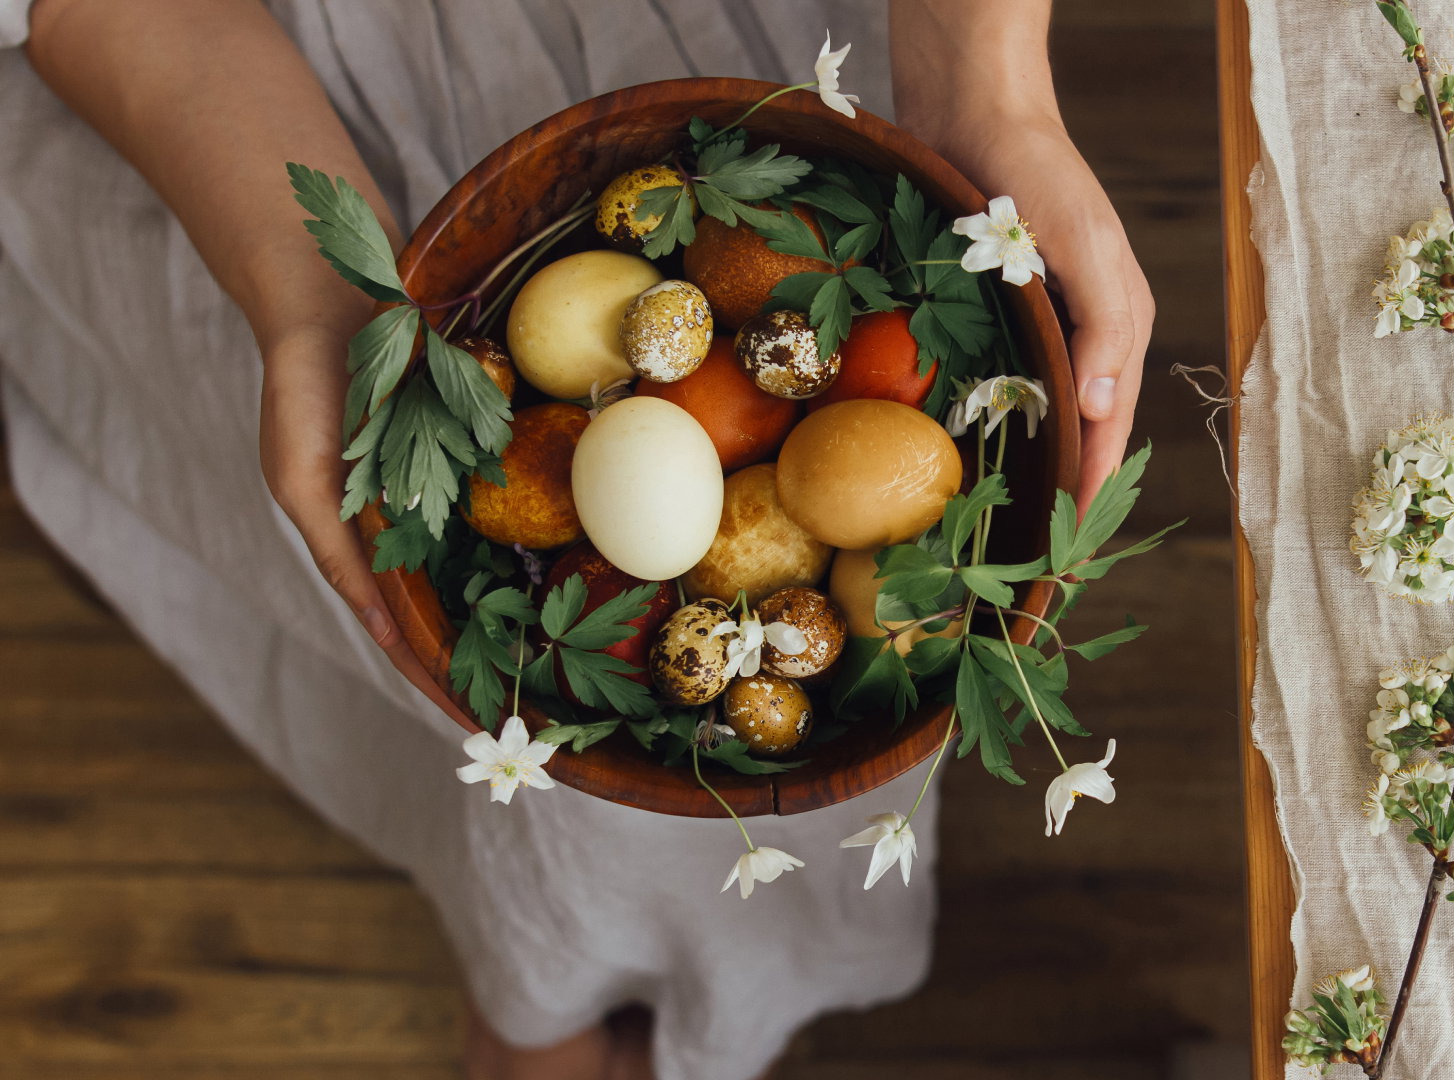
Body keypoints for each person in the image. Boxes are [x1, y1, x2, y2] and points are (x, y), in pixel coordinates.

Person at [1, 1, 1152, 1077]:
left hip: (786, 103)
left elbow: (831, 500)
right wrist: (312, 300)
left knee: (758, 732)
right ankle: (535, 977)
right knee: (507, 707)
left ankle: (598, 973)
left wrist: (985, 88)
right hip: (259, 133)